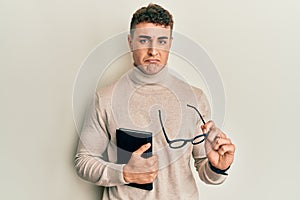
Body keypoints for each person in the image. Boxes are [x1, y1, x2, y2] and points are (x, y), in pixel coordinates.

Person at [75, 3, 235, 200]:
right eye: (144, 40)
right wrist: (123, 173)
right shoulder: (105, 98)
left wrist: (218, 167)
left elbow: (204, 168)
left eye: (161, 41)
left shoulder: (195, 98)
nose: (153, 51)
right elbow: (83, 161)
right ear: (130, 41)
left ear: (170, 43)